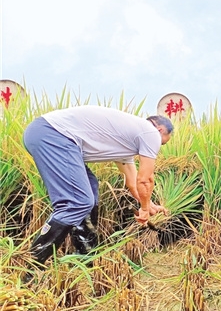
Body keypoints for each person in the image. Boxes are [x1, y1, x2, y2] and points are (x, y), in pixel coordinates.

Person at [22, 105, 173, 275]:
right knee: (77, 202)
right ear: (160, 130)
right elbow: (145, 179)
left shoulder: (127, 142)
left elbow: (132, 182)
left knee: (90, 190)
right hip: (52, 134)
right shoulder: (150, 132)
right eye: (162, 143)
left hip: (49, 134)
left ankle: (84, 259)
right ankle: (31, 268)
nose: (158, 146)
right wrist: (144, 210)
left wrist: (148, 204)